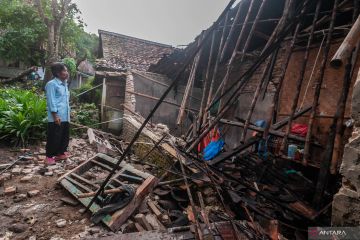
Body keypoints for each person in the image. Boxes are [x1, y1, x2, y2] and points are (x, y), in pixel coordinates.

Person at [44, 63, 70, 165]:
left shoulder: (65, 84)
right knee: (54, 137)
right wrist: (55, 116)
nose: (67, 73)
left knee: (64, 136)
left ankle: (60, 153)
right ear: (58, 73)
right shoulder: (51, 84)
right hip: (56, 116)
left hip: (65, 116)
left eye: (67, 71)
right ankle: (49, 157)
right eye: (65, 71)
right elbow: (51, 101)